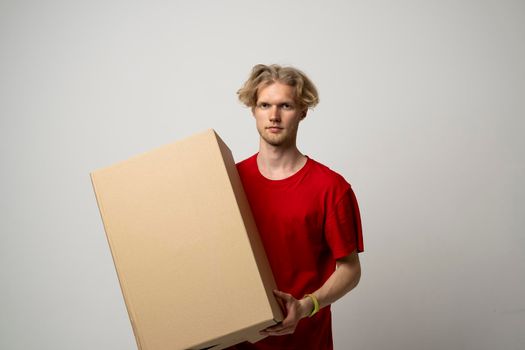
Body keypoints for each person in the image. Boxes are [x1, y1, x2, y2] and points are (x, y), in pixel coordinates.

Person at [230, 64, 364, 350]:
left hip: (303, 341)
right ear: (253, 110)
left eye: (285, 105)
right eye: (265, 105)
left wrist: (306, 306)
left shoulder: (331, 188)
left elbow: (350, 269)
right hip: (236, 342)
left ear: (302, 111)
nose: (274, 116)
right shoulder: (229, 180)